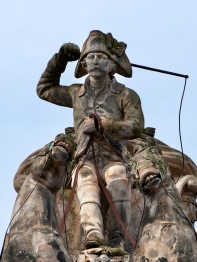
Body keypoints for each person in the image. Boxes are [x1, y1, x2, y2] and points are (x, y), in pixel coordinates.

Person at [37, 30, 145, 250]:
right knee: (86, 184)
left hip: (113, 157)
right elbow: (45, 89)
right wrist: (60, 61)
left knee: (118, 178)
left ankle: (117, 237)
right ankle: (93, 234)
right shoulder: (76, 92)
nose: (95, 61)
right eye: (90, 57)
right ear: (84, 63)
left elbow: (135, 126)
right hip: (84, 158)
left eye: (101, 57)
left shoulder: (125, 94)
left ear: (111, 64)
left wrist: (104, 125)